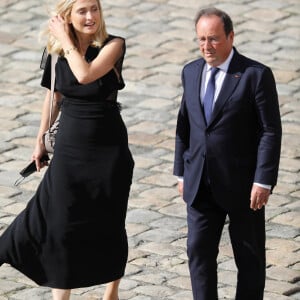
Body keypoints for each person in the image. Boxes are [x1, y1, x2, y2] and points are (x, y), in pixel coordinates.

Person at [0, 0, 134, 299]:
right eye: (82, 11)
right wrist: (40, 140)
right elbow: (53, 97)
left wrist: (64, 41)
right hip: (70, 149)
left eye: (94, 9)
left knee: (109, 221)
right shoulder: (56, 52)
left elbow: (85, 74)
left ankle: (110, 291)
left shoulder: (113, 45)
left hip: (107, 150)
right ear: (67, 16)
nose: (90, 16)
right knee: (60, 222)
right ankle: (61, 295)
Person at [173, 7, 281, 300]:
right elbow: (185, 125)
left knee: (249, 258)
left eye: (214, 39)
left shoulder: (255, 75)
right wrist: (181, 172)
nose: (207, 46)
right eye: (201, 40)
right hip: (199, 183)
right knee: (198, 253)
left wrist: (263, 180)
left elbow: (270, 131)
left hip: (242, 186)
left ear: (231, 36)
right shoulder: (191, 71)